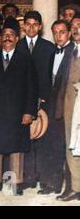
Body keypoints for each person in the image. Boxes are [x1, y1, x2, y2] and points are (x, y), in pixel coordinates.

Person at [0, 18, 38, 195]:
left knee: (16, 149)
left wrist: (29, 112)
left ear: (17, 38)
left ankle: (15, 183)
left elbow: (32, 89)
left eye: (11, 35)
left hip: (17, 113)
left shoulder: (25, 60)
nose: (7, 38)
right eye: (5, 35)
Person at [16, 11, 54, 190]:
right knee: (25, 140)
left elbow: (51, 77)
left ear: (40, 27)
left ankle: (44, 178)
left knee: (43, 140)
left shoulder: (49, 48)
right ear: (23, 26)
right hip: (22, 102)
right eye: (28, 24)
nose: (31, 28)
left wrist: (44, 100)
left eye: (34, 24)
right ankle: (28, 177)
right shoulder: (16, 46)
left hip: (43, 102)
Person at [36, 20, 74, 195]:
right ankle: (52, 183)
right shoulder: (53, 53)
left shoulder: (74, 52)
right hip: (52, 108)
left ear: (69, 33)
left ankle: (70, 187)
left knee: (66, 149)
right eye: (55, 32)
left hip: (68, 109)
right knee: (51, 146)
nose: (58, 36)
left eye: (62, 32)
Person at [59, 13, 80, 201]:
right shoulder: (70, 51)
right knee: (71, 146)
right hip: (69, 105)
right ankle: (74, 186)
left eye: (79, 25)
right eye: (72, 26)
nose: (75, 29)